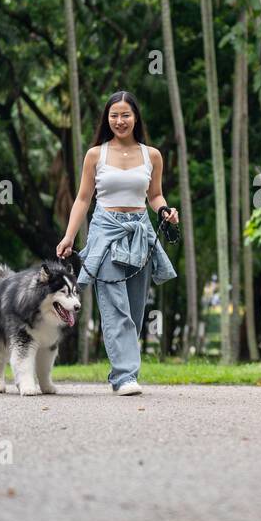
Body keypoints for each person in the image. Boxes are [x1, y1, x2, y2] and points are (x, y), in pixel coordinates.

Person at [56, 90, 179, 396]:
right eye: (114, 115)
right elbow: (83, 199)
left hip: (139, 233)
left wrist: (166, 210)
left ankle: (119, 371)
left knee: (135, 312)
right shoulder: (96, 155)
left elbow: (154, 195)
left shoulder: (152, 155)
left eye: (125, 115)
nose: (120, 121)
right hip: (105, 232)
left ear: (135, 117)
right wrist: (69, 236)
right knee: (116, 309)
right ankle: (126, 377)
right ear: (106, 119)